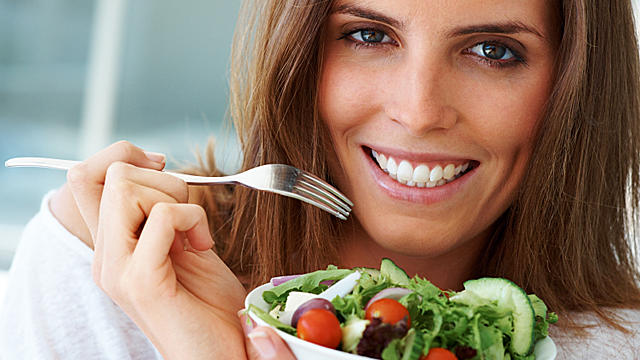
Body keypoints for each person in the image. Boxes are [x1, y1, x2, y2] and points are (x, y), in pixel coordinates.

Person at [2, 0, 640, 359]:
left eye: (494, 51)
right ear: (299, 54)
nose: (418, 112)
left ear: (573, 85)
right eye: (368, 34)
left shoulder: (616, 345)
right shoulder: (113, 270)